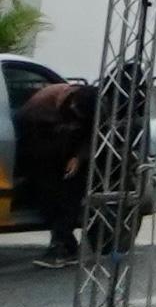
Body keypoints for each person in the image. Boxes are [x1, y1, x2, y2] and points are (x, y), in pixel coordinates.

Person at [17, 73, 96, 265]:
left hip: (70, 157)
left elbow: (93, 134)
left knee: (70, 193)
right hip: (44, 155)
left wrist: (78, 157)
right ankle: (65, 244)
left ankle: (63, 245)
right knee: (51, 194)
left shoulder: (92, 104)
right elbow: (30, 142)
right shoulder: (39, 107)